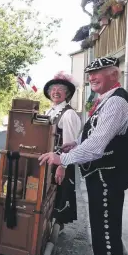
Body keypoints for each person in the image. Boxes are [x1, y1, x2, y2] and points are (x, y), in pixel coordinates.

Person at [39, 56, 128, 255]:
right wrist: (76, 144)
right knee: (100, 226)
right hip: (100, 174)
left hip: (108, 176)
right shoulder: (106, 99)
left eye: (98, 72)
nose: (92, 77)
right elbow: (93, 137)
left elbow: (97, 146)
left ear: (114, 74)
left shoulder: (116, 102)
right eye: (90, 74)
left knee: (106, 229)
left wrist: (62, 159)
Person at [43, 71, 81, 231]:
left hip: (61, 162)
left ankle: (55, 229)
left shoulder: (69, 114)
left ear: (67, 93)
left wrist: (62, 166)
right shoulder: (50, 111)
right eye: (53, 89)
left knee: (59, 194)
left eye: (60, 89)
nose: (56, 92)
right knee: (48, 194)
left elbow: (69, 144)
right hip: (50, 160)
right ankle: (47, 224)